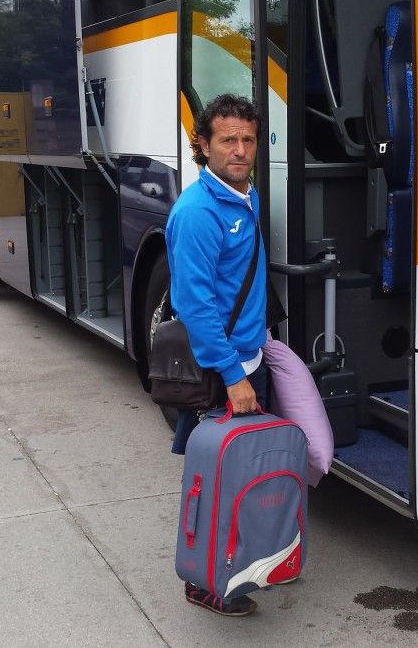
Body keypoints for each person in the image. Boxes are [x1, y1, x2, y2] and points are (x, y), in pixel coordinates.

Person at [165, 93, 268, 617]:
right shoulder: (200, 211)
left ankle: (244, 563)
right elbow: (196, 306)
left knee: (242, 478)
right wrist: (233, 375)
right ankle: (203, 581)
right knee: (213, 481)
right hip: (222, 373)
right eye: (228, 139)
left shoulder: (242, 197)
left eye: (248, 139)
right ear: (202, 145)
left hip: (247, 358)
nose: (240, 149)